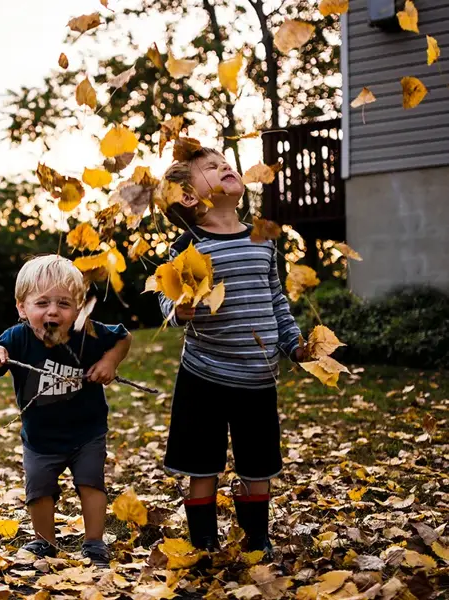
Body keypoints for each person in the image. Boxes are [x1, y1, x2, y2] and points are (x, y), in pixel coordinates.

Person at [157, 147, 305, 559]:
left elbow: (276, 300)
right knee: (201, 464)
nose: (225, 166)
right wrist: (177, 309)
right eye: (211, 167)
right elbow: (167, 295)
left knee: (258, 463)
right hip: (203, 374)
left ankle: (257, 539)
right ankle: (204, 542)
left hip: (257, 375)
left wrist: (293, 343)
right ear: (189, 196)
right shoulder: (188, 246)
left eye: (226, 162)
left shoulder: (261, 239)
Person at [0, 254, 131, 567]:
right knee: (39, 490)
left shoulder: (89, 333)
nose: (53, 311)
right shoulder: (16, 338)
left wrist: (110, 361)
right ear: (22, 308)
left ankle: (94, 543)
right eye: (42, 303)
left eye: (64, 303)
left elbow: (123, 337)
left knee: (91, 483)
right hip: (40, 439)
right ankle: (44, 542)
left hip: (87, 432)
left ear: (79, 307)